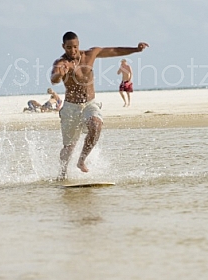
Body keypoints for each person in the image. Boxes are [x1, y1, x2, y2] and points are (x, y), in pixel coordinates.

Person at [50, 31, 149, 179]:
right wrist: (59, 74)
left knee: (96, 125)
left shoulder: (90, 54)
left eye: (75, 47)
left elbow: (114, 51)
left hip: (90, 104)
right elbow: (54, 79)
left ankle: (81, 160)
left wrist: (135, 49)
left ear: (78, 44)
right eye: (69, 47)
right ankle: (62, 174)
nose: (73, 50)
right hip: (71, 107)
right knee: (69, 147)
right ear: (63, 46)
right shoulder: (62, 63)